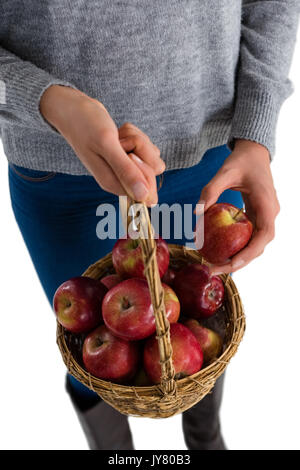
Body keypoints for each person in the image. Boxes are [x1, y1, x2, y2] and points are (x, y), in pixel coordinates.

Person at [0, 1, 299, 450]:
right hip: (58, 175)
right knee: (89, 349)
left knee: (199, 332)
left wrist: (255, 135)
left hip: (211, 162)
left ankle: (206, 440)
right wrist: (49, 101)